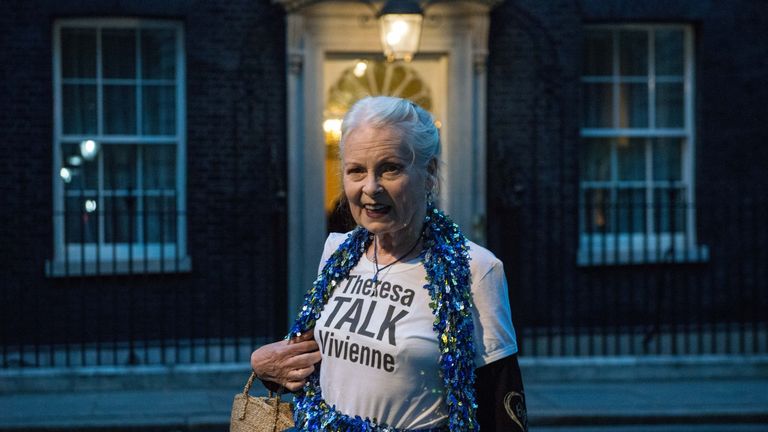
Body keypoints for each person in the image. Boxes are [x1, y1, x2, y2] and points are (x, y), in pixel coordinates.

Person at [250, 96, 527, 431]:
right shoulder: (336, 252)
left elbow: (502, 410)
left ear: (429, 173)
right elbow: (315, 364)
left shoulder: (476, 270)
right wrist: (263, 365)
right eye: (356, 171)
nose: (371, 187)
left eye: (390, 168)